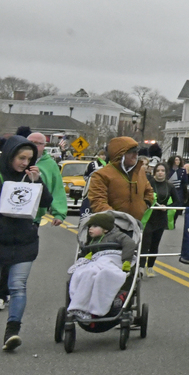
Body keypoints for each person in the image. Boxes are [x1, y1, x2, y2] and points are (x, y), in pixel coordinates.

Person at [1, 135, 65, 350]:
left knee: (18, 286)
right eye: (21, 158)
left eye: (29, 159)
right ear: (10, 155)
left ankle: (12, 332)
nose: (24, 163)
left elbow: (46, 202)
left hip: (24, 240)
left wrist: (38, 182)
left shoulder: (30, 177)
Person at [67, 211, 137, 318]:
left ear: (105, 229)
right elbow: (89, 254)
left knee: (105, 273)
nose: (90, 229)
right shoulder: (93, 241)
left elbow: (130, 244)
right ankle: (81, 305)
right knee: (87, 273)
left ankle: (98, 307)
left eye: (95, 226)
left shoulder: (117, 235)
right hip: (98, 261)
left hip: (113, 259)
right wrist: (86, 258)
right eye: (89, 226)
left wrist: (126, 261)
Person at [87, 137, 155, 223]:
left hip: (136, 225)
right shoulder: (101, 175)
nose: (135, 155)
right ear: (119, 155)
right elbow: (98, 202)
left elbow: (149, 191)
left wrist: (144, 205)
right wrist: (117, 219)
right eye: (131, 152)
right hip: (111, 227)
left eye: (136, 152)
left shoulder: (140, 171)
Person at [141, 161, 175, 277]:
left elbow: (178, 201)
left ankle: (150, 267)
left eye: (163, 171)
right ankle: (140, 266)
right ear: (154, 172)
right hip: (149, 217)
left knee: (155, 244)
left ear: (166, 173)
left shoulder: (169, 186)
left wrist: (167, 207)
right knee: (145, 243)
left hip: (161, 218)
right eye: (158, 171)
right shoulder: (149, 183)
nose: (160, 173)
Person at [27, 133, 64, 223]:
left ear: (44, 146)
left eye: (37, 143)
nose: (33, 146)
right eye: (30, 142)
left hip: (35, 218)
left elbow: (57, 189)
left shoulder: (50, 164)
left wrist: (59, 214)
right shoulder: (16, 160)